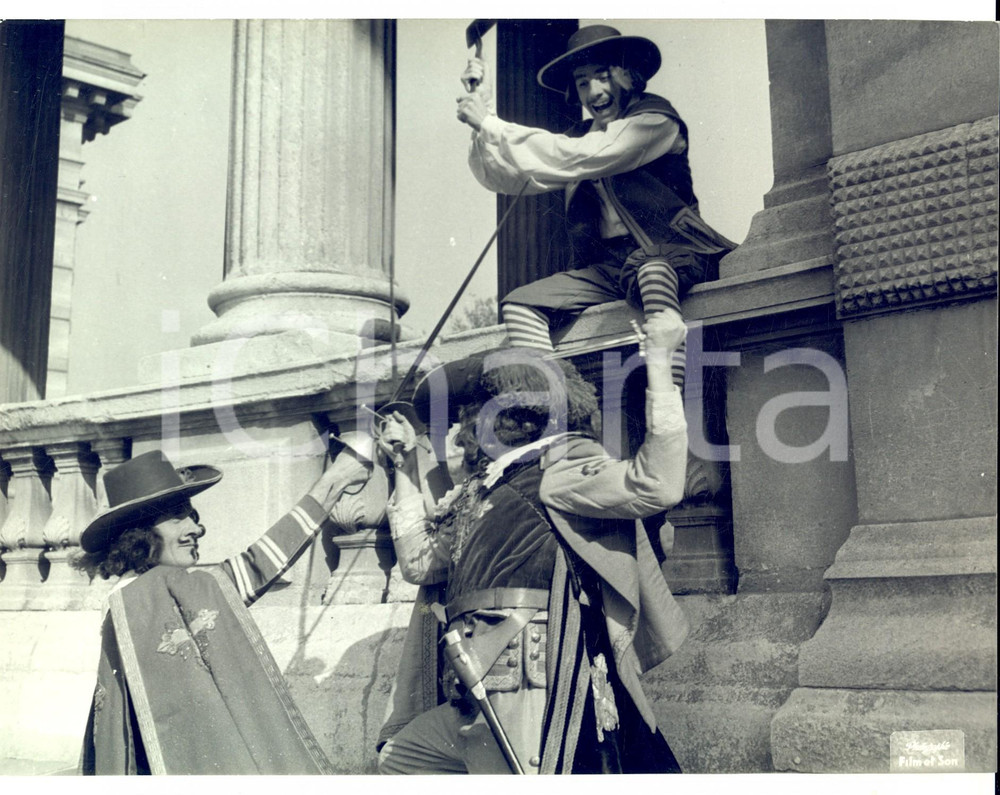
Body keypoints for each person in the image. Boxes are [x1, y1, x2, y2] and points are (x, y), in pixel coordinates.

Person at [374, 311, 690, 774]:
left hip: (532, 686)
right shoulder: (479, 494)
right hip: (469, 686)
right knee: (402, 762)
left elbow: (658, 484)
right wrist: (403, 467)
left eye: (470, 418)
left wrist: (660, 365)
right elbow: (420, 565)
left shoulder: (556, 472)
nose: (461, 434)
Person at [456, 24, 734, 388]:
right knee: (520, 305)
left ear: (627, 76)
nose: (594, 92)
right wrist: (482, 119)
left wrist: (492, 124)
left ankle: (668, 402)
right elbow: (506, 177)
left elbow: (591, 154)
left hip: (675, 253)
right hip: (609, 269)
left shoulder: (656, 120)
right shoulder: (581, 139)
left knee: (651, 271)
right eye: (583, 82)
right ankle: (558, 410)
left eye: (602, 77)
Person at [74, 444, 371, 775]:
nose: (195, 529)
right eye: (176, 518)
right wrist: (334, 480)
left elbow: (251, 568)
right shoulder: (146, 598)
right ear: (138, 535)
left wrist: (334, 482)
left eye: (192, 516)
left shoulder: (133, 598)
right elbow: (255, 566)